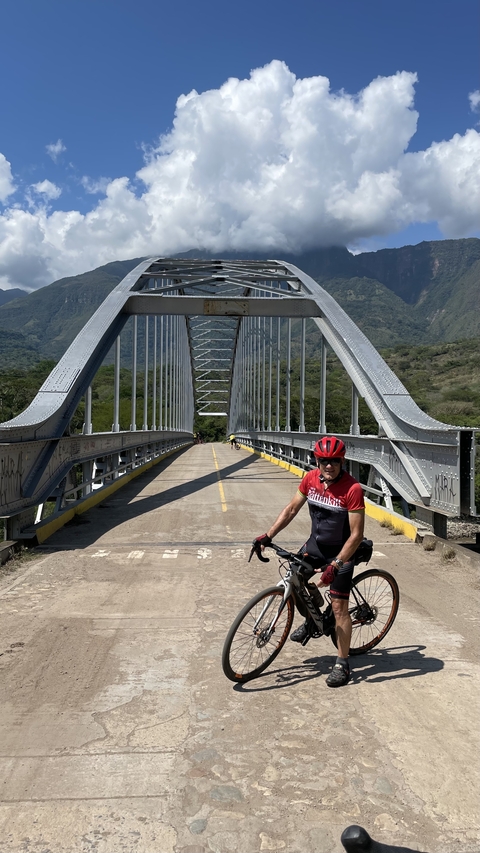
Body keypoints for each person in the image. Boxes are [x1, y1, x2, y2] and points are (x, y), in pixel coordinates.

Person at [253, 436, 365, 687]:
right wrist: (268, 536)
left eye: (334, 461)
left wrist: (335, 565)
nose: (329, 466)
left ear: (342, 461)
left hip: (341, 553)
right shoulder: (310, 479)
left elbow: (356, 535)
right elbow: (292, 509)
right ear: (316, 460)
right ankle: (313, 622)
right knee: (294, 581)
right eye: (324, 461)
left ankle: (342, 663)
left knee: (338, 608)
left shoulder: (352, 489)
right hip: (315, 545)